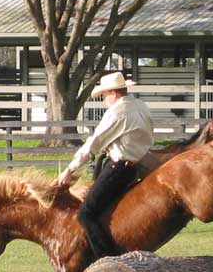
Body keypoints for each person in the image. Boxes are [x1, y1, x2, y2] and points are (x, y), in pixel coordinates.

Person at [55, 71, 154, 259]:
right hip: (136, 167)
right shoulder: (141, 106)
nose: (104, 100)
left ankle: (106, 258)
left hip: (118, 168)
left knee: (86, 214)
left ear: (114, 94)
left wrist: (70, 169)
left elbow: (94, 144)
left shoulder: (117, 113)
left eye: (104, 96)